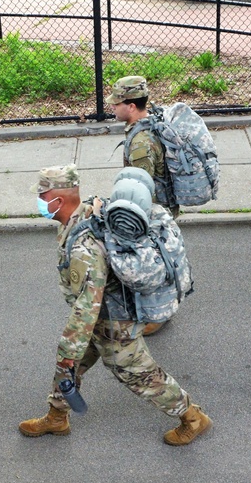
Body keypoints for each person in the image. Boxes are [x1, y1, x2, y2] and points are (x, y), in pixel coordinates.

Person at [18, 165, 212, 446]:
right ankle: (56, 417)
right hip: (99, 322)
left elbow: (87, 308)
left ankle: (192, 417)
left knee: (141, 376)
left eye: (43, 195)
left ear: (57, 201)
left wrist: (68, 349)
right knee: (68, 369)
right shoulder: (84, 213)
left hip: (113, 325)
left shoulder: (85, 248)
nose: (40, 201)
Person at [107, 75, 179, 335]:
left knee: (153, 263)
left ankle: (159, 314)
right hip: (162, 205)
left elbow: (140, 189)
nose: (112, 107)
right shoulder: (147, 125)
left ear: (132, 106)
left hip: (153, 212)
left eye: (117, 103)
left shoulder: (140, 143)